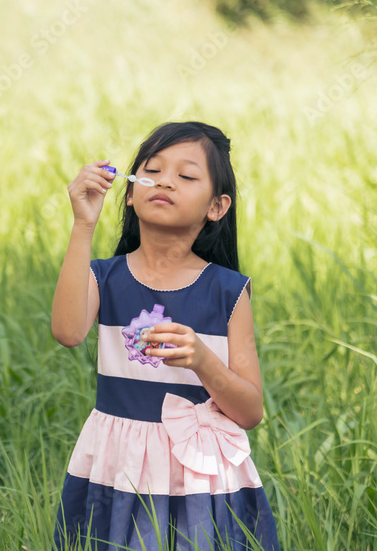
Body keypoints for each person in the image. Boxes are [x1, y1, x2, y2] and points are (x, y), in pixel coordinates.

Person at [51, 121, 281, 551]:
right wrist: (83, 224)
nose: (165, 182)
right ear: (131, 190)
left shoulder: (227, 291)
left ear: (216, 207)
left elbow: (250, 411)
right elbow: (67, 331)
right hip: (118, 465)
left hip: (197, 475)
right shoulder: (105, 277)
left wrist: (202, 360)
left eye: (187, 176)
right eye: (152, 171)